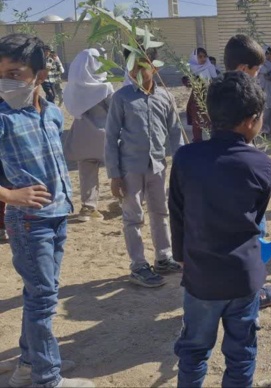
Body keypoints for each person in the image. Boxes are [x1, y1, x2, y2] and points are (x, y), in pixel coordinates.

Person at [0, 34, 95, 388]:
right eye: (1, 73)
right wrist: (10, 194)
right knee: (43, 300)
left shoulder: (53, 114)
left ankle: (29, 365)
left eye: (15, 72)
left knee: (41, 294)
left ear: (40, 75)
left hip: (57, 217)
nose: (5, 80)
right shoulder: (2, 117)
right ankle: (45, 378)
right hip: (28, 222)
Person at [170, 71, 271, 387]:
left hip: (201, 276)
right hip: (244, 277)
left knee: (194, 352)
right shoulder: (260, 164)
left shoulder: (186, 158)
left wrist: (181, 256)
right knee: (241, 356)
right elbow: (257, 218)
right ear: (252, 120)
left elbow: (177, 213)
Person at [106, 46, 184, 288]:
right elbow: (110, 136)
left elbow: (175, 133)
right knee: (133, 216)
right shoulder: (121, 98)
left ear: (154, 67)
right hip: (130, 167)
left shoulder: (165, 97)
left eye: (141, 65)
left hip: (158, 166)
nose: (136, 71)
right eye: (131, 67)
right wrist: (114, 175)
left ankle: (163, 257)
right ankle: (139, 264)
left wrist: (182, 165)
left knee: (160, 212)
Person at [222, 34, 271, 309]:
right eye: (256, 71)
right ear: (244, 69)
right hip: (242, 177)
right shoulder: (240, 98)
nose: (257, 76)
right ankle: (253, 290)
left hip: (227, 176)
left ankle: (245, 286)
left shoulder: (218, 93)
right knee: (254, 231)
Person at [62, 48, 114, 222]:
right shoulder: (104, 87)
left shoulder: (72, 88)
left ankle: (88, 207)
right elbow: (114, 110)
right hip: (105, 134)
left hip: (82, 134)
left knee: (86, 170)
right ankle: (124, 200)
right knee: (117, 167)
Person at [185, 48, 216, 143]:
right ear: (195, 58)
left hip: (210, 100)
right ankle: (197, 143)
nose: (203, 59)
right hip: (197, 100)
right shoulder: (190, 69)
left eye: (204, 56)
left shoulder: (210, 67)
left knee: (211, 122)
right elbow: (186, 82)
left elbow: (216, 80)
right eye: (200, 57)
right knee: (197, 122)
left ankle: (213, 142)